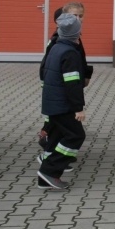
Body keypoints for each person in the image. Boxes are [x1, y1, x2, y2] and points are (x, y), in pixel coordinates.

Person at [37, 13, 86, 190]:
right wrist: (78, 108)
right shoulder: (70, 53)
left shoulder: (56, 47)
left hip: (52, 103)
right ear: (77, 33)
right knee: (76, 136)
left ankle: (46, 177)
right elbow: (72, 83)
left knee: (57, 135)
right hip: (63, 105)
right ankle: (49, 170)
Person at [37, 3, 93, 152]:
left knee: (60, 120)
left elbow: (81, 59)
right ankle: (47, 139)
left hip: (67, 85)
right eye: (74, 15)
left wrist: (86, 74)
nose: (78, 19)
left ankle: (51, 149)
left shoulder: (75, 35)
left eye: (80, 16)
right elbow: (48, 62)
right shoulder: (60, 37)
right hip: (58, 86)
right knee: (59, 119)